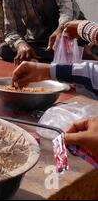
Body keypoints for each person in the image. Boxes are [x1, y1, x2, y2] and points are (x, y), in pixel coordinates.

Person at [11, 20, 98, 156]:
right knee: (5, 49)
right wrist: (46, 71)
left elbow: (67, 19)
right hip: (38, 44)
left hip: (51, 40)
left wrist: (88, 30)